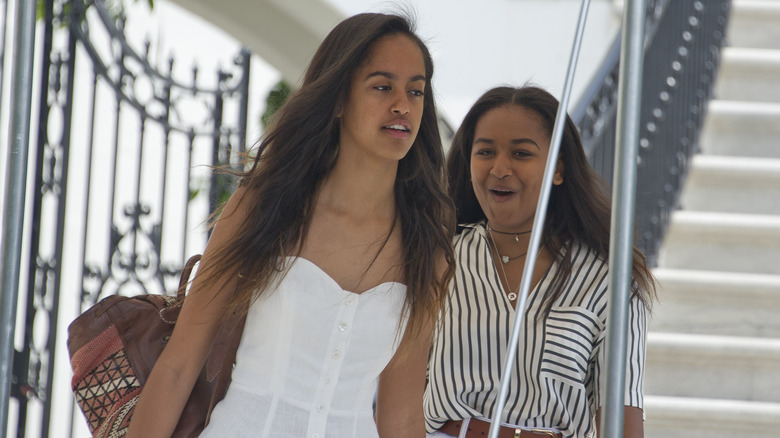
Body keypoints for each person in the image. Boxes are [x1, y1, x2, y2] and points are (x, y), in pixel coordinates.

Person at [126, 12, 455, 438]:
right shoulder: (266, 206)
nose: (402, 105)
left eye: (415, 91)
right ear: (338, 100)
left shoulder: (425, 243)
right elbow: (178, 367)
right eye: (382, 86)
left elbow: (402, 416)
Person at [423, 86, 656, 438]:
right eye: (485, 151)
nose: (499, 168)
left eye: (521, 153)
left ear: (558, 169)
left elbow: (622, 424)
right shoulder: (437, 258)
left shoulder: (611, 281)